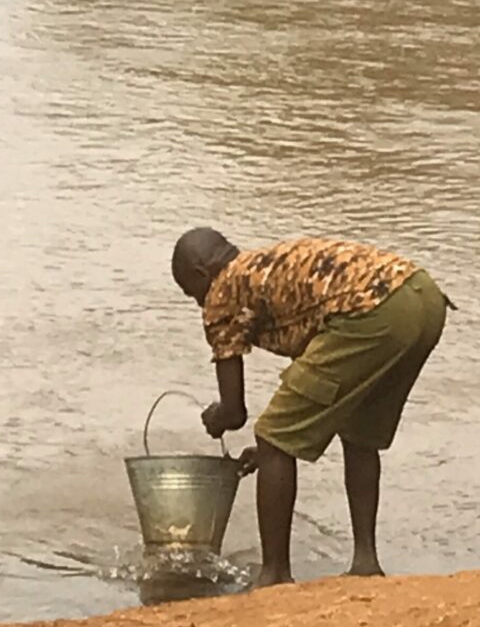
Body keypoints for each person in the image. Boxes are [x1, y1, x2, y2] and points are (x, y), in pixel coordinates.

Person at [171, 228, 454, 587]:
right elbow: (323, 362)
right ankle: (365, 562)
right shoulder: (263, 267)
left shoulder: (222, 290)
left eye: (191, 293)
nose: (199, 303)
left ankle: (273, 575)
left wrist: (218, 418)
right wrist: (277, 445)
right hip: (423, 296)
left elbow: (235, 412)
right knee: (358, 430)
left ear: (200, 275)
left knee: (272, 434)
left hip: (374, 312)